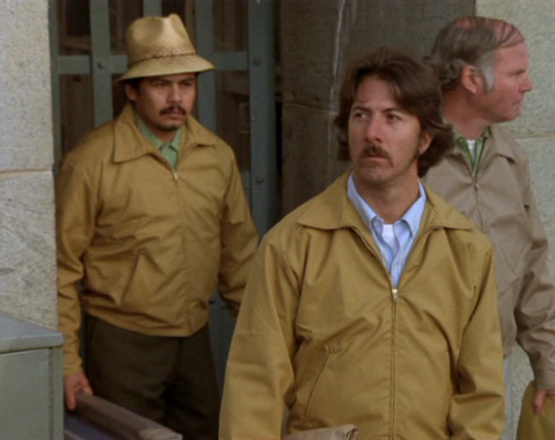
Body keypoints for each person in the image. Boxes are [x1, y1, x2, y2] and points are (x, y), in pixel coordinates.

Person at [219, 47, 506, 439]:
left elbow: (482, 395)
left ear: (424, 138)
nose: (372, 133)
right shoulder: (292, 244)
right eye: (361, 115)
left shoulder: (467, 249)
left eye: (392, 117)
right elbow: (254, 385)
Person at [56, 14, 259, 439]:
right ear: (132, 90)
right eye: (161, 85)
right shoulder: (92, 162)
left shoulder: (216, 156)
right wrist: (68, 364)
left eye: (186, 84)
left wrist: (263, 338)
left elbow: (239, 256)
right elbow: (62, 268)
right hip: (122, 344)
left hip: (195, 339)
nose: (176, 98)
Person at [423, 15, 555, 427]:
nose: (529, 85)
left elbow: (531, 260)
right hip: (417, 365)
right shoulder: (411, 154)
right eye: (517, 74)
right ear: (472, 79)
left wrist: (549, 365)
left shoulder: (509, 154)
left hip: (492, 364)